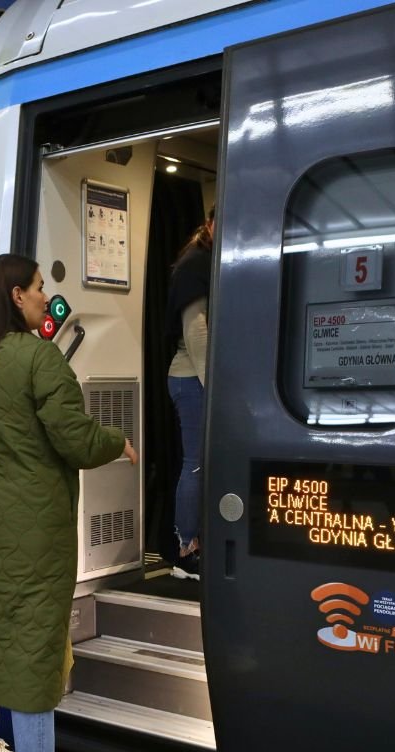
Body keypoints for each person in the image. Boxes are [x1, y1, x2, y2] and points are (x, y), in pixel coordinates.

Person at [0, 253, 135, 752]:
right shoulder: (37, 359)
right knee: (33, 641)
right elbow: (73, 437)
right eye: (37, 288)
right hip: (32, 525)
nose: (43, 297)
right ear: (16, 297)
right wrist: (115, 442)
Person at [166, 206, 213, 580]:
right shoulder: (197, 264)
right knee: (195, 464)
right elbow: (197, 334)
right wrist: (212, 387)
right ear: (211, 224)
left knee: (200, 465)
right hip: (190, 378)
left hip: (192, 378)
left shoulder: (203, 260)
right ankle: (185, 548)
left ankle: (195, 542)